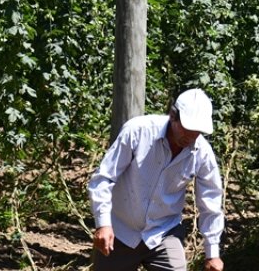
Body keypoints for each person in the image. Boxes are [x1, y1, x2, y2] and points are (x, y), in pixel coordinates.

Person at [88, 89, 225, 271]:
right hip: (120, 231)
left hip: (163, 232)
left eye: (197, 132)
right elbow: (104, 178)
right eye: (187, 128)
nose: (191, 137)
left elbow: (211, 202)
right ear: (173, 116)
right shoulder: (138, 131)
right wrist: (103, 224)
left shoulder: (202, 153)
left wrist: (212, 254)